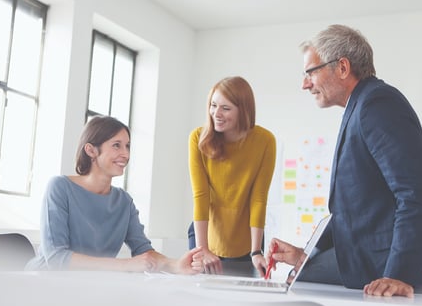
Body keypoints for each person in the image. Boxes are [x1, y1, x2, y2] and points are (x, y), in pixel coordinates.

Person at [265, 24, 422, 297]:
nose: (305, 84)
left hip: (404, 268)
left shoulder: (377, 104)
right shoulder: (361, 106)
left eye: (310, 72)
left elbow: (417, 193)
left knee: (301, 286)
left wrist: (399, 274)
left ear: (342, 68)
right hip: (371, 258)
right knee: (300, 277)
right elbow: (360, 212)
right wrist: (307, 255)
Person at [26, 115, 203, 274]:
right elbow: (56, 258)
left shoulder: (124, 202)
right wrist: (126, 265)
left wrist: (175, 265)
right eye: (116, 145)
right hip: (43, 283)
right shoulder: (60, 187)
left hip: (90, 287)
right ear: (91, 150)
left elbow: (144, 251)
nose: (125, 154)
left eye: (127, 146)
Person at [188, 76, 276, 277]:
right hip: (206, 234)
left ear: (243, 110)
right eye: (213, 105)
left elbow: (258, 199)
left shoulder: (265, 141)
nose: (216, 114)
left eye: (225, 108)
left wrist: (256, 251)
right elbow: (201, 195)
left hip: (246, 240)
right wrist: (203, 250)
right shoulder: (197, 138)